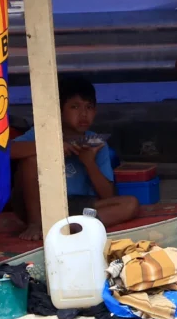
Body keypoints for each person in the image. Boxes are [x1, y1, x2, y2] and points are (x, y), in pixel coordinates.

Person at [10, 75, 139, 240]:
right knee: (31, 159)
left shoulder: (96, 144)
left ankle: (64, 227)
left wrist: (89, 162)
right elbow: (8, 151)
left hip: (79, 207)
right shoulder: (42, 133)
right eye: (75, 107)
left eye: (89, 107)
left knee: (130, 204)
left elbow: (108, 196)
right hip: (40, 206)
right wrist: (51, 148)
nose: (84, 114)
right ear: (59, 110)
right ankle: (37, 224)